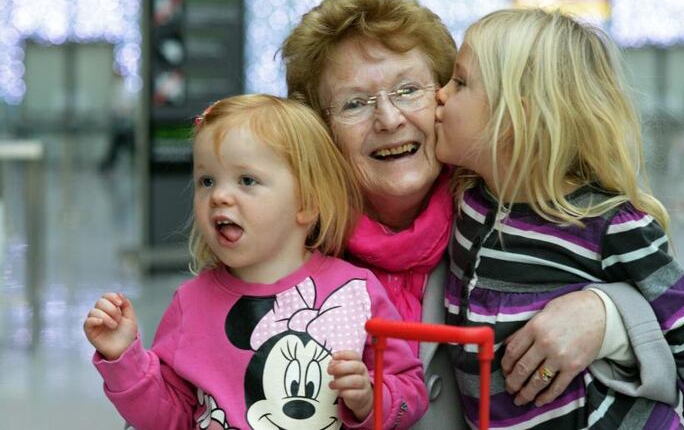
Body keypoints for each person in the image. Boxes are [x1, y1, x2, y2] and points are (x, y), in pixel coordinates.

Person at [281, 0, 678, 428]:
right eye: (355, 103)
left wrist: (605, 316)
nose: (389, 120)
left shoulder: (507, 212)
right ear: (319, 128)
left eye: (409, 89)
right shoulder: (286, 243)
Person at [435, 8, 684, 429]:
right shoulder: (471, 202)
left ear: (514, 118)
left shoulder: (609, 223)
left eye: (460, 82)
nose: (439, 93)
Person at [84, 94, 427, 430]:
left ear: (306, 202)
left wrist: (370, 399)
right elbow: (168, 418)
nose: (219, 195)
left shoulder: (356, 292)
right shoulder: (190, 304)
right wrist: (123, 359)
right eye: (207, 181)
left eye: (246, 180)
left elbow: (411, 390)